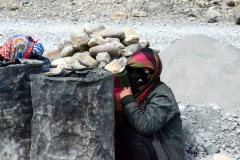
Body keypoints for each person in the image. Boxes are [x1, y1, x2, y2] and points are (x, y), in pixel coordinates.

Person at [114, 47, 184, 160]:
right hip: (144, 146)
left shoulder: (163, 96)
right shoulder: (132, 89)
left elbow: (145, 126)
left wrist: (128, 100)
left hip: (162, 153)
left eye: (141, 71)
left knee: (126, 137)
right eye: (130, 70)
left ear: (153, 72)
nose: (135, 75)